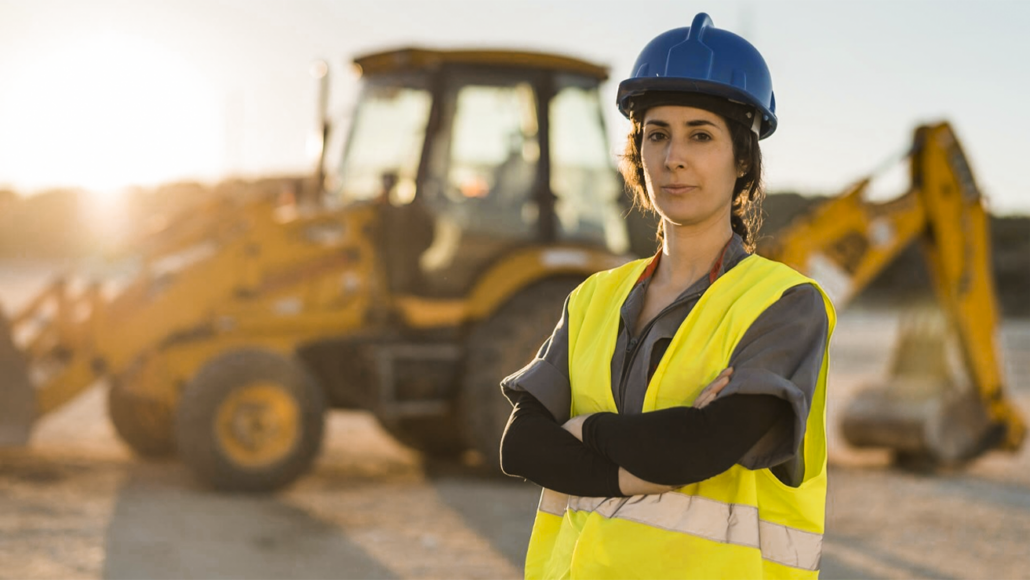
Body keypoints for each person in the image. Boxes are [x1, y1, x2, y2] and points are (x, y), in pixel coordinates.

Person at [498, 13, 836, 580]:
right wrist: (640, 467)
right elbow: (523, 445)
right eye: (657, 134)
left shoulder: (785, 304)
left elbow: (699, 450)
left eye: (700, 135)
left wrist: (585, 431)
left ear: (744, 160)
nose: (673, 157)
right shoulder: (593, 298)